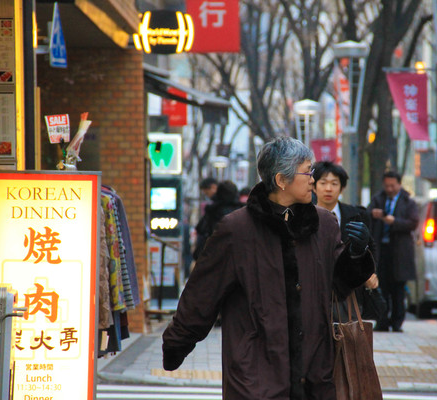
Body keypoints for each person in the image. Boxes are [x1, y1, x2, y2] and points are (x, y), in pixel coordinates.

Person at [162, 137, 374, 399]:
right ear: (281, 180)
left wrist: (356, 254)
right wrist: (176, 344)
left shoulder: (324, 224)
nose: (313, 179)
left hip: (314, 373)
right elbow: (202, 294)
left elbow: (341, 283)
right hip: (256, 375)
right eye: (307, 172)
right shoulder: (237, 230)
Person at [312, 161, 384, 321]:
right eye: (323, 183)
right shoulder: (305, 216)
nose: (328, 188)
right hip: (316, 292)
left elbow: (370, 246)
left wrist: (371, 273)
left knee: (348, 332)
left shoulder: (357, 215)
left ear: (342, 188)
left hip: (350, 295)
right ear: (314, 187)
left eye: (334, 183)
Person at [367, 170, 418, 332]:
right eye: (387, 186)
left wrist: (394, 221)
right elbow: (366, 214)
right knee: (381, 287)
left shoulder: (408, 202)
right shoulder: (378, 199)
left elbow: (413, 222)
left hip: (400, 252)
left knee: (398, 289)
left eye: (392, 186)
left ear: (399, 185)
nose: (389, 189)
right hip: (381, 250)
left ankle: (397, 322)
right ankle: (382, 321)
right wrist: (373, 214)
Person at [192, 180, 244, 261]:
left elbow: (201, 229)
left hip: (216, 256)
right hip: (238, 256)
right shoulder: (243, 211)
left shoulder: (213, 211)